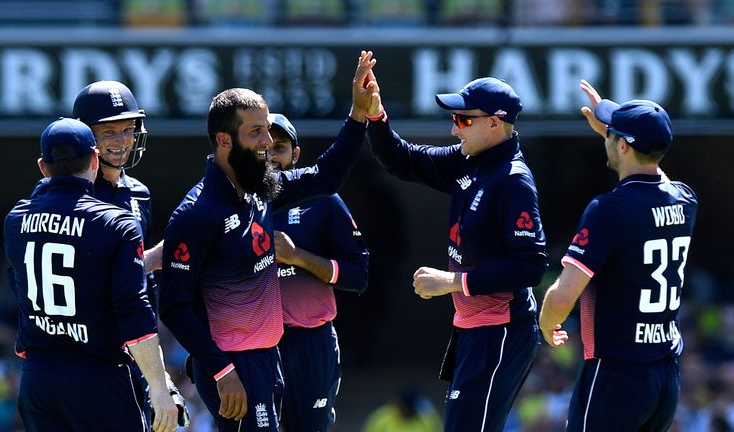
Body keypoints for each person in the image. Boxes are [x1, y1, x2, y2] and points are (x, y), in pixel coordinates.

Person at [159, 50, 378, 431]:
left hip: (266, 357)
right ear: (225, 140)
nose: (266, 142)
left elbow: (326, 177)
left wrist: (358, 114)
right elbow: (175, 307)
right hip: (233, 366)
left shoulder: (259, 188)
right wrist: (222, 369)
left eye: (268, 131)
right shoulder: (197, 213)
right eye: (256, 131)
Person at [362, 74, 548, 431]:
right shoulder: (470, 160)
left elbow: (530, 267)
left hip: (502, 329)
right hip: (474, 328)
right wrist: (377, 117)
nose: (454, 130)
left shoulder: (513, 180)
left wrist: (452, 282)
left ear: (494, 123)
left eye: (463, 120)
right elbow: (403, 160)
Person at [538, 80, 699, 431]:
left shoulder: (607, 209)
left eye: (613, 134)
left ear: (624, 145)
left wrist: (547, 323)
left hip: (616, 374)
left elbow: (564, 297)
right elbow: (655, 177)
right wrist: (614, 135)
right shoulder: (685, 201)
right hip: (665, 376)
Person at [3, 117, 178, 432]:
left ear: (43, 166)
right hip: (99, 375)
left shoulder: (15, 219)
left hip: (38, 379)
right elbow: (133, 308)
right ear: (96, 160)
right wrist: (159, 385)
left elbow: (19, 283)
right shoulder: (118, 223)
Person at [71, 80, 187, 426]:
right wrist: (156, 258)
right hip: (89, 352)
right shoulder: (73, 196)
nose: (122, 141)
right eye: (109, 132)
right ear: (86, 136)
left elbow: (139, 291)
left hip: (134, 346)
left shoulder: (139, 193)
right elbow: (93, 278)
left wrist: (157, 373)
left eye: (128, 129)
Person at [268, 112, 370, 431]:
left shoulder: (322, 201)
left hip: (310, 341)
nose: (269, 156)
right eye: (262, 148)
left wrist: (296, 256)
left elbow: (359, 275)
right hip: (254, 343)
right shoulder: (235, 204)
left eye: (279, 148)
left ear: (295, 155)